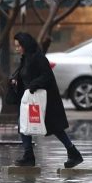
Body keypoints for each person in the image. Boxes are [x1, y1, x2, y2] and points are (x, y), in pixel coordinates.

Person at [10, 32, 83, 168]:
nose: (17, 49)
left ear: (25, 44)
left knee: (56, 128)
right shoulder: (25, 58)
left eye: (19, 46)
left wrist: (33, 85)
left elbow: (47, 76)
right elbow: (25, 75)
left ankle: (73, 153)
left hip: (44, 101)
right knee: (23, 124)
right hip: (31, 100)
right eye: (16, 46)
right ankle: (28, 156)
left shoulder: (38, 57)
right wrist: (16, 80)